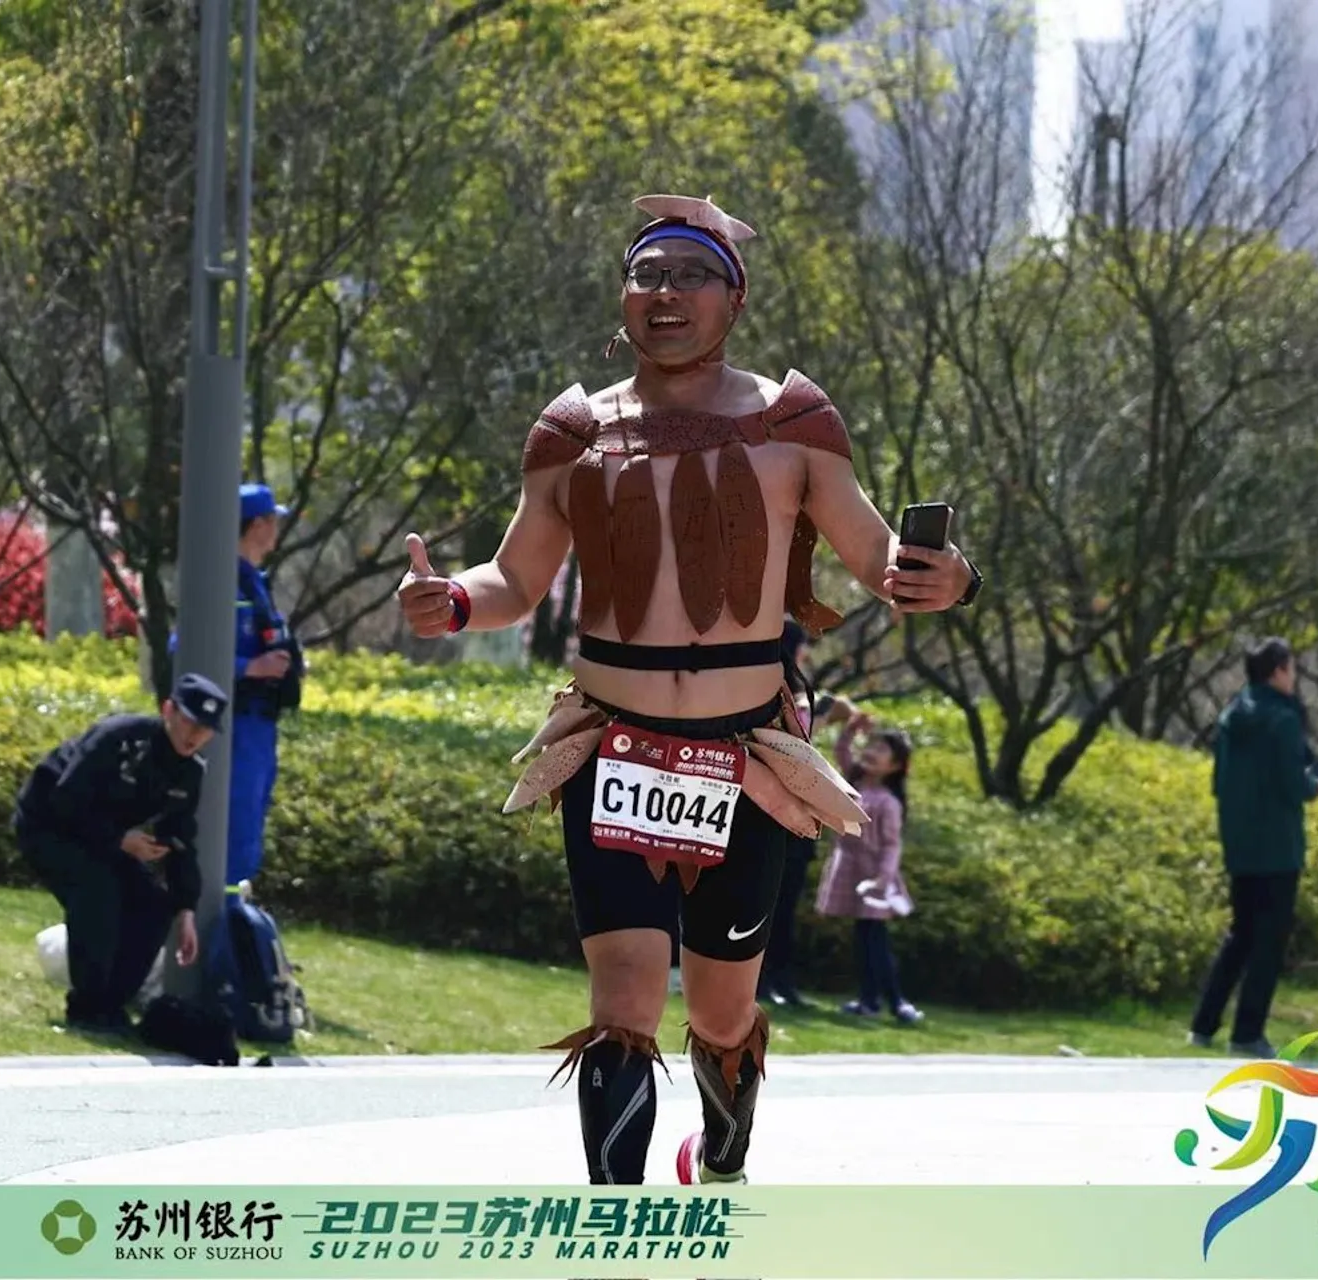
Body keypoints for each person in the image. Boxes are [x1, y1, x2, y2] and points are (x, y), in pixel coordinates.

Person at [394, 192, 980, 1188]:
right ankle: (620, 1228)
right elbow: (514, 579)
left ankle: (722, 1152)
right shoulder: (571, 430)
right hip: (610, 747)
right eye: (646, 275)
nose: (665, 295)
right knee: (622, 999)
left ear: (734, 299)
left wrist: (944, 574)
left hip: (745, 758)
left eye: (689, 275)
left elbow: (879, 553)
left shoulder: (794, 419)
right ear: (623, 295)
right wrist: (451, 599)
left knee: (717, 1008)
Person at [12, 673, 224, 1034]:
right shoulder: (120, 737)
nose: (194, 736)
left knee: (154, 905)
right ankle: (86, 1007)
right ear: (168, 710)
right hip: (49, 827)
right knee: (98, 893)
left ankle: (111, 1007)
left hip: (106, 840)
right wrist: (120, 840)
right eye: (189, 721)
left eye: (205, 730)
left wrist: (186, 907)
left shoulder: (190, 772)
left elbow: (181, 839)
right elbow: (65, 800)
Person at [1187, 638, 1318, 1058]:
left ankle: (1204, 1024)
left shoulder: (1232, 716)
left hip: (1240, 842)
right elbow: (1291, 783)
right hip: (1278, 845)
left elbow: (1218, 782)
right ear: (1278, 671)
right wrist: (1313, 788)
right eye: (1292, 669)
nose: (1294, 677)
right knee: (1269, 941)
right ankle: (1248, 1032)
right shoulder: (1283, 720)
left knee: (1241, 933)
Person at [170, 483, 301, 891]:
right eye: (272, 519)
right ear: (256, 525)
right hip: (234, 728)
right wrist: (251, 667)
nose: (277, 527)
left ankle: (236, 930)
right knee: (232, 825)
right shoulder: (220, 583)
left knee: (249, 828)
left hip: (261, 727)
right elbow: (184, 651)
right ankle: (217, 930)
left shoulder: (255, 582)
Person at [815, 708, 921, 1023]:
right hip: (850, 867)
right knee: (864, 938)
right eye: (871, 747)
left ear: (896, 766)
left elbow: (891, 845)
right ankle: (870, 1001)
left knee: (874, 939)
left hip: (875, 876)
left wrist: (883, 879)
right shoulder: (855, 784)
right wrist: (851, 729)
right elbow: (842, 751)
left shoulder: (889, 802)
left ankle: (896, 1001)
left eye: (882, 751)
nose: (872, 753)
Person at [758, 621, 822, 1009]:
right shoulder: (785, 705)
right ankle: (763, 979)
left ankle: (778, 979)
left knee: (781, 908)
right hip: (776, 814)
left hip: (793, 819)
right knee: (768, 905)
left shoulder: (798, 703)